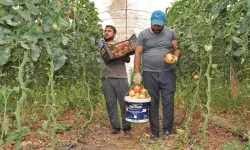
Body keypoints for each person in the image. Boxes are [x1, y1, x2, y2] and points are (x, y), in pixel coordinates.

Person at [133, 10, 181, 141]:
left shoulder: (171, 33)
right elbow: (138, 53)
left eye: (159, 25)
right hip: (149, 73)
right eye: (154, 24)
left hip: (167, 72)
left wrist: (175, 58)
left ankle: (167, 130)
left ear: (164, 23)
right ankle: (155, 133)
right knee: (152, 103)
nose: (156, 27)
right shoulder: (143, 34)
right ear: (151, 21)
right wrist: (137, 72)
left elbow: (176, 48)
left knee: (168, 101)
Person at [97, 25, 132, 137]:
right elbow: (90, 38)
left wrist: (118, 53)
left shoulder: (120, 45)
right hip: (106, 78)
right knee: (110, 103)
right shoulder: (101, 45)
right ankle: (115, 127)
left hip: (120, 77)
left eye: (109, 31)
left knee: (124, 104)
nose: (106, 33)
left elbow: (127, 59)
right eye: (105, 31)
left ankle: (127, 129)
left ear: (114, 34)